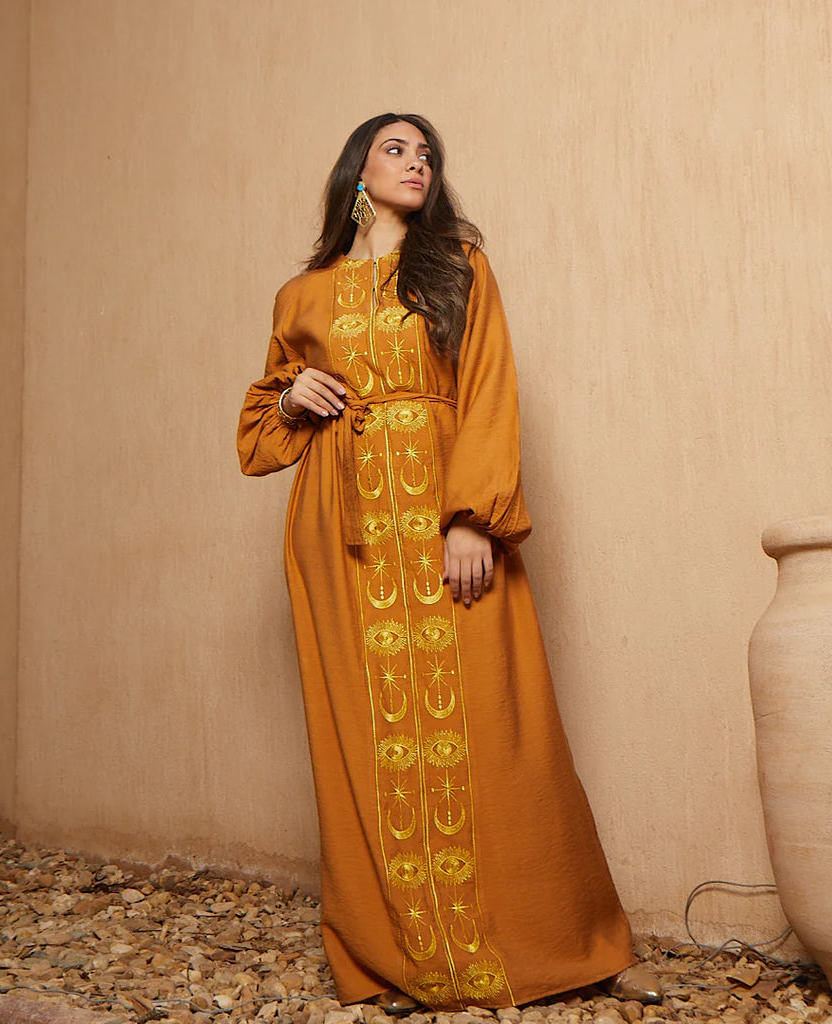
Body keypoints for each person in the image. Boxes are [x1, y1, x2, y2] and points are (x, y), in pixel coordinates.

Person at [238, 113, 660, 1013]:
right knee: (362, 724)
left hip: (440, 510)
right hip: (339, 532)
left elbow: (489, 384)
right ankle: (396, 950)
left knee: (492, 718)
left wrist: (471, 519)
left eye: (426, 153)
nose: (417, 161)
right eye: (396, 148)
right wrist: (298, 394)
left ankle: (539, 942)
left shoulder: (456, 266)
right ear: (356, 171)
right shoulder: (301, 296)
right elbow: (260, 432)